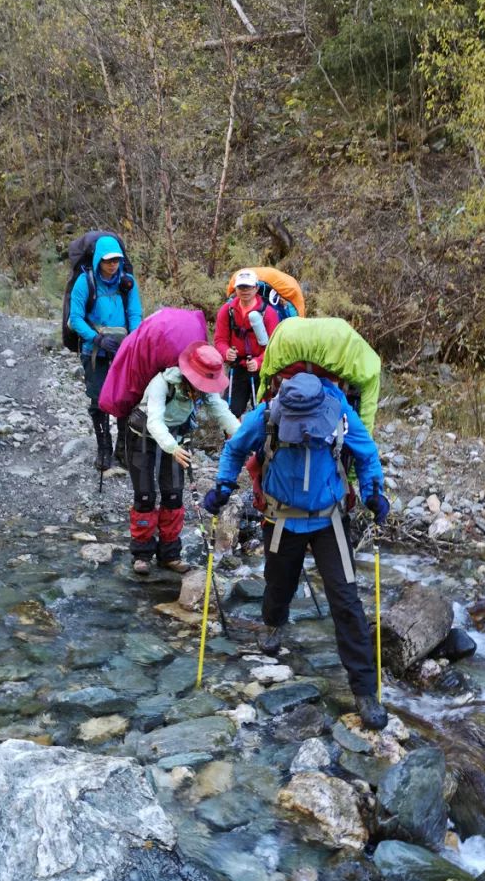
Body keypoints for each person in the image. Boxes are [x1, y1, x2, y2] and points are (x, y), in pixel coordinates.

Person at [203, 372, 390, 729]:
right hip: (281, 518)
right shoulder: (266, 416)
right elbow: (235, 448)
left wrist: (373, 492)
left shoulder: (341, 414)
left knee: (346, 600)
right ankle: (273, 625)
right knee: (277, 585)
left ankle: (365, 691)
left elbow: (366, 455)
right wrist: (224, 485)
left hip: (330, 520)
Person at [127, 341, 240, 576]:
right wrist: (172, 448)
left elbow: (223, 413)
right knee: (145, 495)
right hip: (143, 437)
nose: (203, 388)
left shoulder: (205, 391)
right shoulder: (162, 383)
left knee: (173, 495)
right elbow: (154, 421)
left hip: (176, 440)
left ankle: (170, 554)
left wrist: (243, 437)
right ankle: (142, 554)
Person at [67, 234, 143, 470]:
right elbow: (75, 319)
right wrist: (97, 338)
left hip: (123, 351)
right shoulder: (85, 282)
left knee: (124, 399)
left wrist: (132, 341)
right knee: (98, 400)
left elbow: (135, 314)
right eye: (108, 260)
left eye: (117, 260)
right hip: (94, 351)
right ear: (99, 259)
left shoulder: (126, 282)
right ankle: (104, 448)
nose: (113, 264)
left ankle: (122, 449)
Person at [214, 269, 280, 418]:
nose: (244, 291)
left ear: (256, 288)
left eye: (248, 287)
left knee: (263, 411)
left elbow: (274, 347)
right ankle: (234, 440)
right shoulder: (227, 310)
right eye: (241, 287)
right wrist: (225, 352)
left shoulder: (268, 313)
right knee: (230, 412)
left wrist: (259, 361)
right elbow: (220, 340)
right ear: (235, 289)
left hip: (262, 371)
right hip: (237, 369)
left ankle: (260, 440)